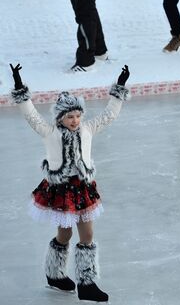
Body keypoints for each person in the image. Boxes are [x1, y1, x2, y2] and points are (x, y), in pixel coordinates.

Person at [9, 63, 130, 302]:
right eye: (69, 117)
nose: (74, 120)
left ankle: (87, 283)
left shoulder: (87, 129)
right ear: (60, 117)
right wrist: (19, 86)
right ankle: (54, 274)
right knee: (64, 235)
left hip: (83, 189)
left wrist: (120, 87)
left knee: (87, 235)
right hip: (61, 190)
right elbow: (31, 115)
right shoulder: (49, 132)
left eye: (77, 116)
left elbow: (109, 116)